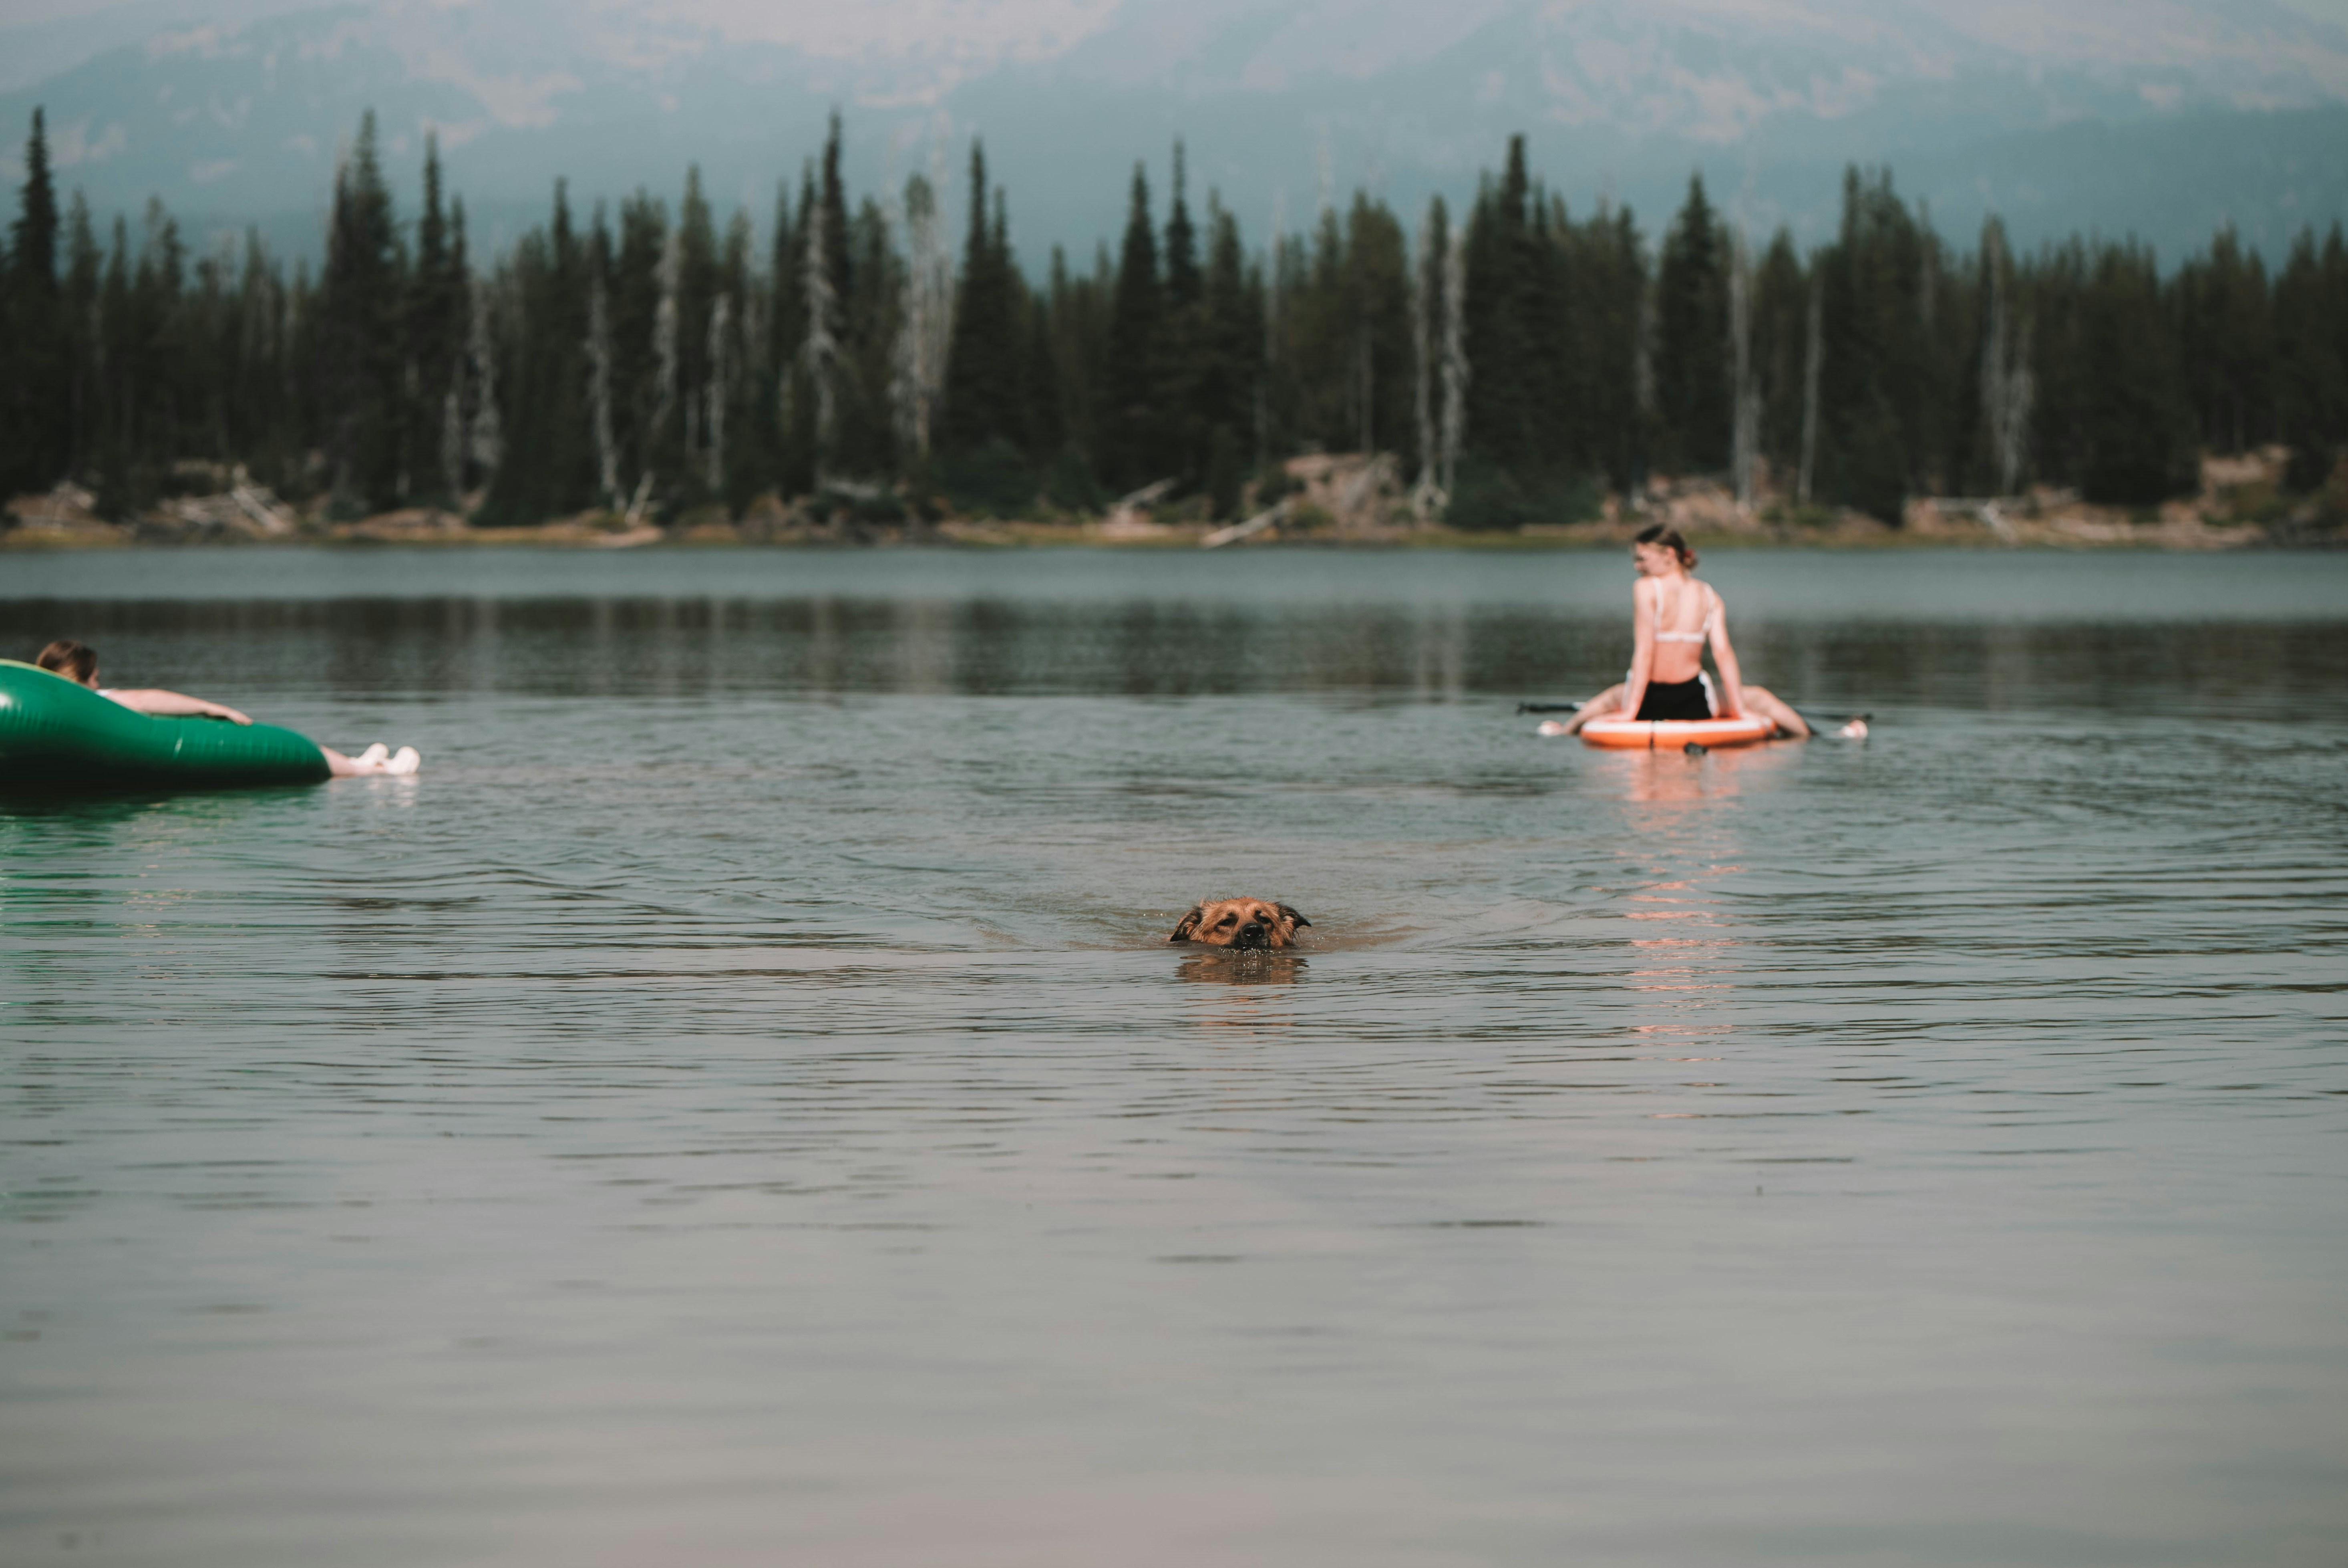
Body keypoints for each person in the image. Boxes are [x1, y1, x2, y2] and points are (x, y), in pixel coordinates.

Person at [1547, 527, 1864, 741]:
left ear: (1668, 555)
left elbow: (1644, 651)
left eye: (1642, 558)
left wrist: (1630, 711)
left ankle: (1562, 732)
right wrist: (1739, 708)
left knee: (1609, 697)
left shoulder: (1646, 589)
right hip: (1693, 701)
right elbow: (1724, 655)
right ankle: (1828, 739)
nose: (1637, 566)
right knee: (1761, 698)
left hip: (1649, 701)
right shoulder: (1710, 595)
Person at [34, 640, 420, 776]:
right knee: (287, 747)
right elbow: (144, 697)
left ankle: (366, 767)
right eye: (96, 675)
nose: (100, 680)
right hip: (161, 743)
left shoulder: (45, 708)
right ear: (82, 675)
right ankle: (367, 770)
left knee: (293, 746)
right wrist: (213, 707)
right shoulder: (94, 702)